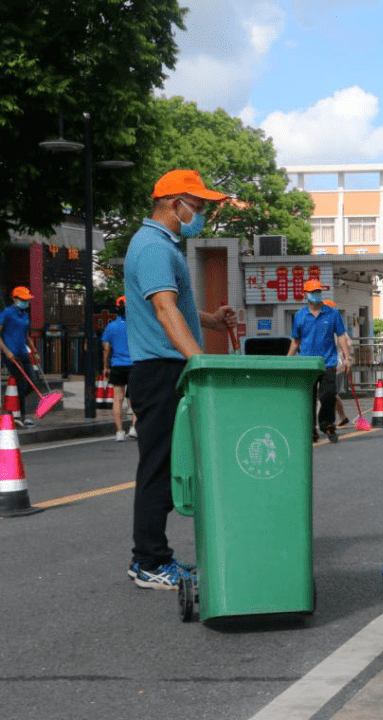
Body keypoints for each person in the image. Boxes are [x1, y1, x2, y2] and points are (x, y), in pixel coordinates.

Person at [124, 169, 236, 591]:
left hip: (164, 368)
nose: (202, 213)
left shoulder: (161, 245)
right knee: (159, 470)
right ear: (175, 203)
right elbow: (164, 311)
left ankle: (154, 558)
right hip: (161, 372)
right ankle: (148, 561)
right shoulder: (152, 247)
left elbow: (179, 311)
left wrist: (211, 320)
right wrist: (200, 362)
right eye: (199, 204)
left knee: (169, 467)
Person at [287, 279, 351, 443]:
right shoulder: (300, 316)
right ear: (306, 294)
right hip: (307, 364)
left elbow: (341, 336)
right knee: (309, 398)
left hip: (327, 362)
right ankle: (311, 429)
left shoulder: (332, 313)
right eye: (313, 292)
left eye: (318, 291)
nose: (316, 294)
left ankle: (327, 425)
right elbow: (296, 341)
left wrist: (346, 357)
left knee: (329, 395)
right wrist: (287, 360)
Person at [101, 296, 137, 442]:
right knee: (135, 399)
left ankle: (119, 432)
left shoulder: (111, 327)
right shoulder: (135, 326)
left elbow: (106, 349)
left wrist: (105, 366)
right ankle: (134, 428)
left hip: (117, 365)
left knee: (118, 399)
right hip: (134, 365)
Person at [0, 286, 35, 427]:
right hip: (11, 355)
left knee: (32, 381)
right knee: (22, 382)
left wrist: (34, 351)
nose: (25, 302)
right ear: (14, 299)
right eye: (23, 299)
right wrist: (6, 351)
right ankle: (22, 416)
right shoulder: (7, 313)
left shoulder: (25, 315)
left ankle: (14, 405)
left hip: (23, 353)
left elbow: (27, 335)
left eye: (27, 299)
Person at [322, 300, 352, 427]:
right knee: (331, 393)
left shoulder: (333, 325)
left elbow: (348, 342)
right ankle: (340, 416)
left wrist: (345, 356)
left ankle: (329, 419)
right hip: (331, 363)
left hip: (335, 364)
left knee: (328, 393)